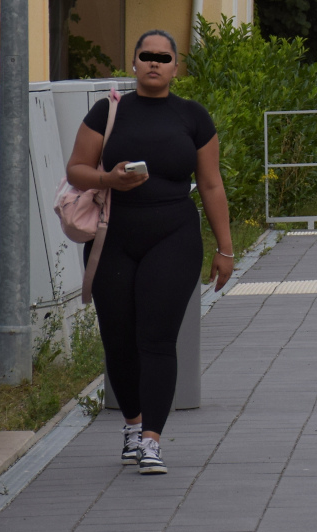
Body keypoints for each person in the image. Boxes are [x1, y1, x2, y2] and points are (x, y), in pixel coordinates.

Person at [65, 28, 234, 475]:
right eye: (147, 56)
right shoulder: (108, 112)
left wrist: (227, 249)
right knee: (118, 340)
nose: (155, 63)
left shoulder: (193, 117)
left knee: (156, 339)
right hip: (113, 237)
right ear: (134, 64)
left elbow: (213, 184)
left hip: (173, 235)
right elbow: (77, 169)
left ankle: (152, 441)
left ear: (177, 67)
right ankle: (132, 424)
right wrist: (108, 180)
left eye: (164, 57)